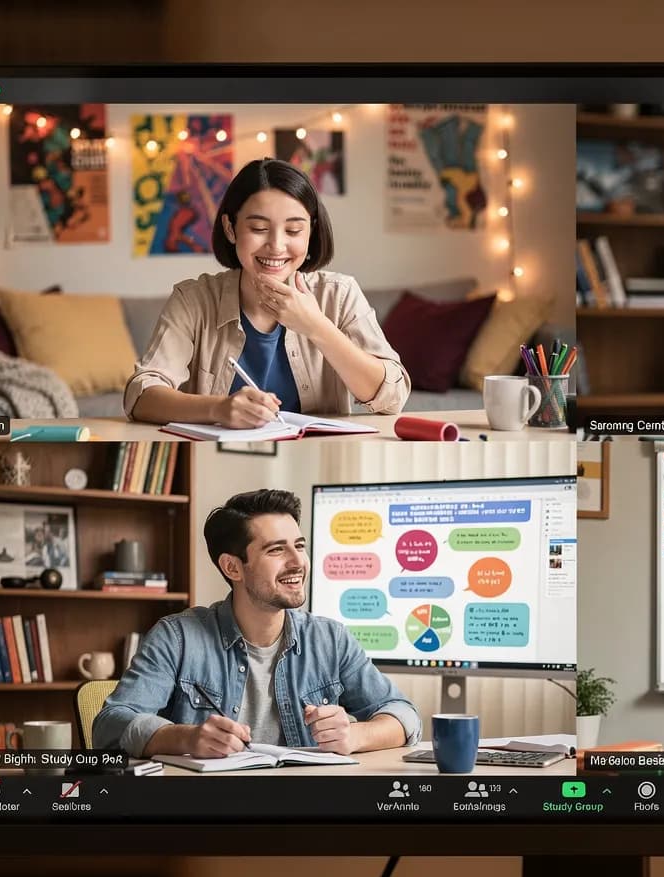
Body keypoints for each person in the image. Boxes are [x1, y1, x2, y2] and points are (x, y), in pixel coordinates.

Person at [93, 489, 420, 758]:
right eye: (277, 550)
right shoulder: (177, 637)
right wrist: (185, 739)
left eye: (299, 546)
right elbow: (110, 725)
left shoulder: (330, 639)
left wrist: (356, 735)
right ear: (232, 568)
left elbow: (403, 715)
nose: (297, 562)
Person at [123, 158, 410, 427]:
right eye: (259, 228)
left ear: (311, 232)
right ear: (230, 228)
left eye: (294, 231)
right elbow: (140, 395)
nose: (276, 245)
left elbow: (392, 397)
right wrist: (218, 409)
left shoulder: (339, 294)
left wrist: (316, 327)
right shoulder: (194, 300)